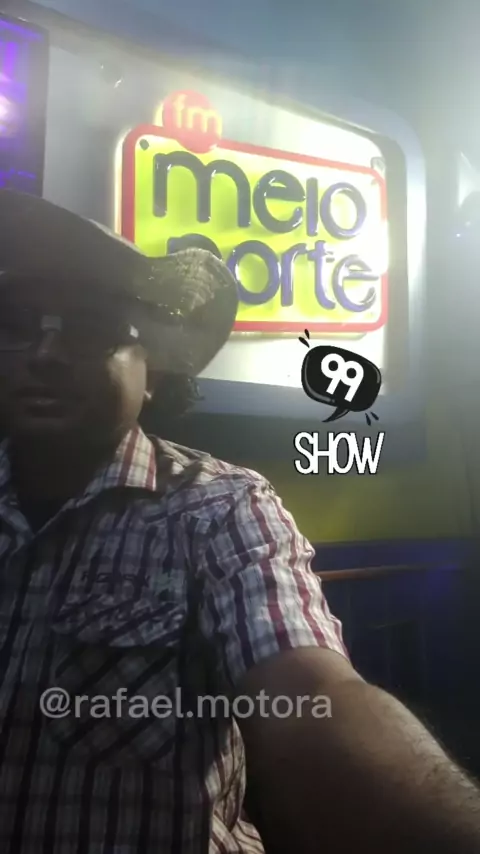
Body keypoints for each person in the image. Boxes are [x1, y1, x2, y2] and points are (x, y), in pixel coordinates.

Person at [0, 189, 478, 854]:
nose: (45, 353)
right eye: (16, 325)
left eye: (86, 327)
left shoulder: (219, 507)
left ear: (154, 372)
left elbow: (312, 703)